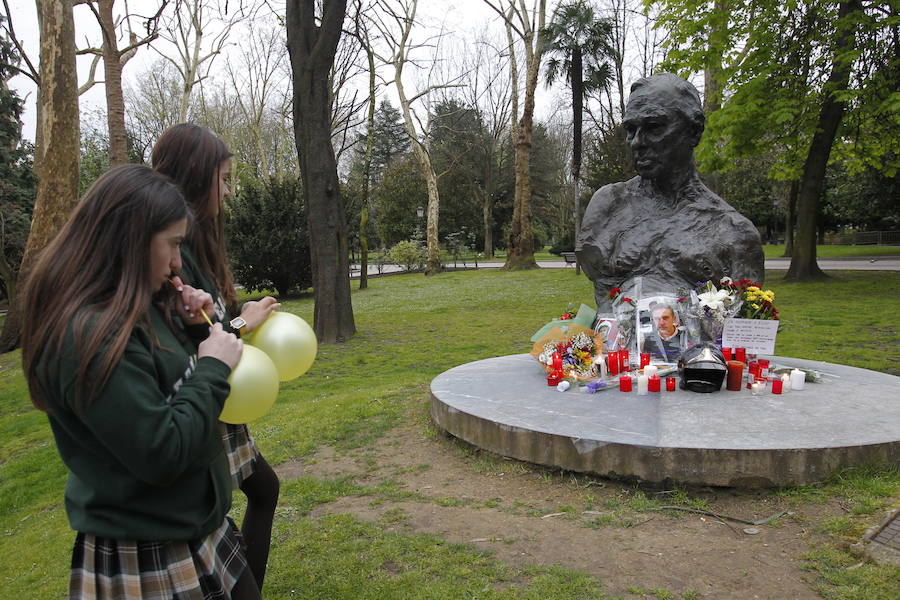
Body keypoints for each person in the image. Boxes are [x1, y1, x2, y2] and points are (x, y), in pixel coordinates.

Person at [21, 165, 261, 599]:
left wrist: (193, 330)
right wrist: (213, 367)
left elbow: (166, 385)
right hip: (149, 551)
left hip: (195, 527)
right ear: (128, 240)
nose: (176, 263)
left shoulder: (140, 306)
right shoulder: (89, 336)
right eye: (171, 244)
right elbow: (160, 451)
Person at [152, 123, 280, 591]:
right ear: (195, 176)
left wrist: (239, 313)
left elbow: (203, 323)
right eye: (222, 178)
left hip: (218, 399)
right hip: (204, 405)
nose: (228, 190)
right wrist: (244, 323)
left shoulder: (193, 243)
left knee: (259, 493)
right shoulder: (171, 252)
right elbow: (190, 345)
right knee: (242, 502)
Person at [577, 73, 764, 312]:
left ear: (694, 131)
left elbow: (742, 326)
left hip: (699, 349)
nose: (637, 142)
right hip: (618, 347)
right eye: (631, 129)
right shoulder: (608, 206)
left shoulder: (734, 232)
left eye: (654, 127)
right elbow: (603, 294)